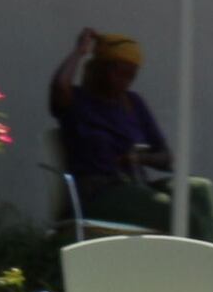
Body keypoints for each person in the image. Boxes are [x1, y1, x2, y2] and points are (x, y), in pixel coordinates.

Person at [48, 28, 171, 215]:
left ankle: (203, 242)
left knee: (198, 190)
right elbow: (59, 86)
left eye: (131, 75)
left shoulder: (133, 103)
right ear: (98, 68)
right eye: (120, 73)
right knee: (174, 211)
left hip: (135, 185)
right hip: (97, 193)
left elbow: (166, 158)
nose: (124, 81)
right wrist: (80, 52)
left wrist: (137, 158)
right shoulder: (77, 101)